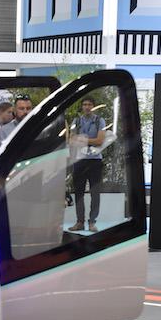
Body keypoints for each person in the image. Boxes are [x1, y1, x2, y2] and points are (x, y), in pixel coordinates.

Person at [68, 96, 105, 232]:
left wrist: (82, 139)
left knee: (95, 193)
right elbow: (71, 140)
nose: (87, 107)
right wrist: (90, 140)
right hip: (80, 160)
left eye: (90, 104)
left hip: (95, 160)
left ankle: (92, 222)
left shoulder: (100, 121)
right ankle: (80, 222)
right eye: (85, 104)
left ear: (93, 106)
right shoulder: (76, 121)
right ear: (82, 107)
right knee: (79, 192)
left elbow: (100, 141)